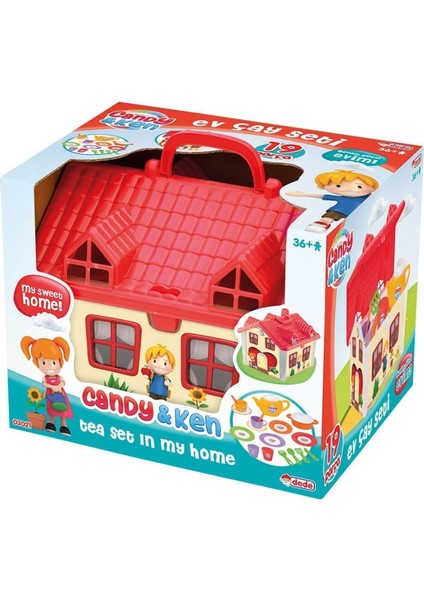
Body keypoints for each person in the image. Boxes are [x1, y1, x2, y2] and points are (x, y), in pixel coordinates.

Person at [287, 170, 379, 233]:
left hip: (357, 213)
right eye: (338, 186)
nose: (348, 189)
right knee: (328, 217)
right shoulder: (342, 198)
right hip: (338, 210)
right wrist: (303, 194)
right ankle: (320, 225)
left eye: (359, 186)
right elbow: (322, 196)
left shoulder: (366, 198)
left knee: (356, 223)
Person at [20, 336, 73, 436]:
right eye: (43, 362)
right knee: (52, 410)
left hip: (61, 395)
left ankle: (64, 425)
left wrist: (59, 386)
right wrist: (52, 387)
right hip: (51, 395)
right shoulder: (45, 378)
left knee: (63, 410)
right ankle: (51, 423)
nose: (50, 367)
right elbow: (44, 383)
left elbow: (63, 382)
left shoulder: (59, 377)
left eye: (54, 362)